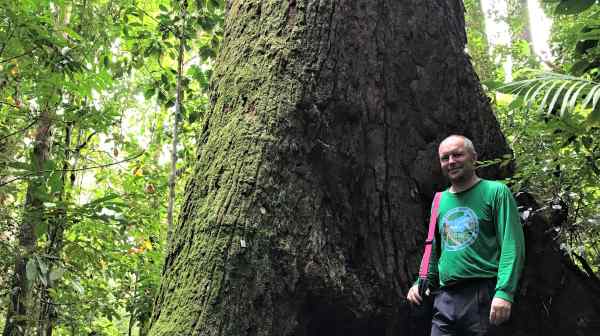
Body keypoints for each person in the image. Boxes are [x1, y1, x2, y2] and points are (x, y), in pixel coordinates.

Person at [406, 135, 525, 336]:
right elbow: (434, 251)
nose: (451, 161)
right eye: (445, 158)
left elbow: (512, 244)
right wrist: (422, 282)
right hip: (444, 299)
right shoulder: (439, 201)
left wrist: (505, 291)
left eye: (457, 155)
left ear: (473, 158)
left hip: (483, 294)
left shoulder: (496, 192)